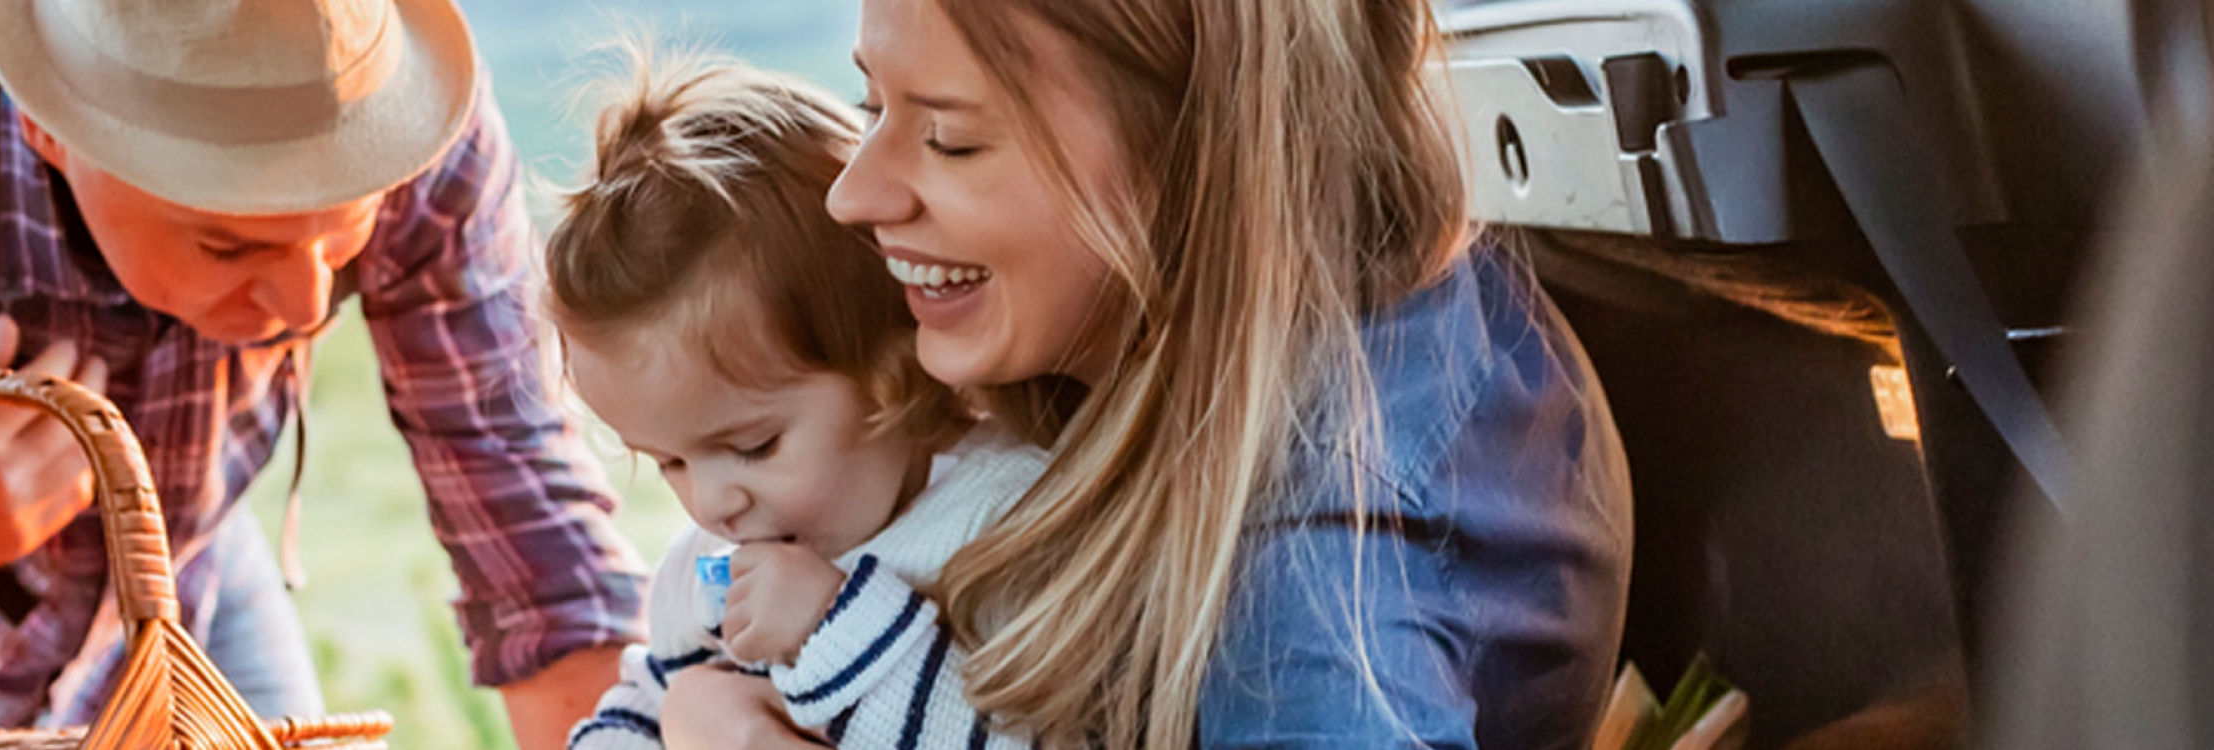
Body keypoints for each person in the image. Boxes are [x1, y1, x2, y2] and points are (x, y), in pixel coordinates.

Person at [0, 0, 643, 744]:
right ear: (47, 126)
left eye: (340, 239)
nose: (299, 308)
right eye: (228, 246)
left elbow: (531, 533)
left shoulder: (397, 116)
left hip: (179, 585)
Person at [660, 0, 1634, 747]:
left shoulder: (1315, 589)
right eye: (873, 103)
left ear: (1194, 155)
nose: (851, 194)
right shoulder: (1295, 293)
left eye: (950, 136)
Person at [540, 51, 1051, 750]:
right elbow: (642, 705)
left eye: (753, 447)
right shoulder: (713, 570)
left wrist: (831, 627)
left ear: (895, 369)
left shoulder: (1009, 525)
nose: (714, 504)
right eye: (671, 464)